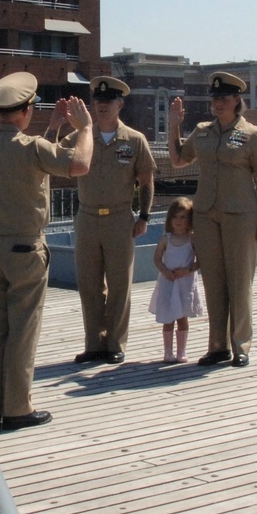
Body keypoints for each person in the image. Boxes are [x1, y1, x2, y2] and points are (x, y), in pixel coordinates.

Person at [0, 72, 93, 431]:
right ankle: (18, 409)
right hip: (26, 250)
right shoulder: (31, 147)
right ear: (26, 110)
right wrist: (86, 129)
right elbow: (78, 165)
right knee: (22, 331)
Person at [167, 72, 257, 368]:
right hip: (206, 216)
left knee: (239, 281)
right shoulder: (202, 131)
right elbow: (177, 160)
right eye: (214, 99)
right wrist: (174, 126)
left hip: (241, 216)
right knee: (213, 281)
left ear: (237, 100)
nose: (218, 104)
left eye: (224, 99)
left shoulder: (252, 134)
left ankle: (241, 346)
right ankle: (217, 346)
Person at [49, 76, 155, 365]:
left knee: (120, 284)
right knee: (89, 284)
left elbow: (146, 181)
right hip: (87, 218)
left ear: (120, 104)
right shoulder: (83, 137)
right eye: (98, 101)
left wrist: (144, 215)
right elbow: (50, 155)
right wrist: (56, 124)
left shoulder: (134, 140)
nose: (102, 106)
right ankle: (94, 343)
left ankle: (115, 344)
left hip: (120, 218)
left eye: (108, 101)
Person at [148, 197, 204, 363]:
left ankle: (181, 352)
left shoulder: (192, 239)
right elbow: (157, 259)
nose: (178, 221)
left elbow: (200, 261)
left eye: (183, 217)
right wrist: (165, 271)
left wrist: (188, 270)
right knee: (168, 317)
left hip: (185, 284)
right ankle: (168, 352)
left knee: (182, 317)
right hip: (168, 283)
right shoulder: (166, 239)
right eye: (175, 217)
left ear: (189, 220)